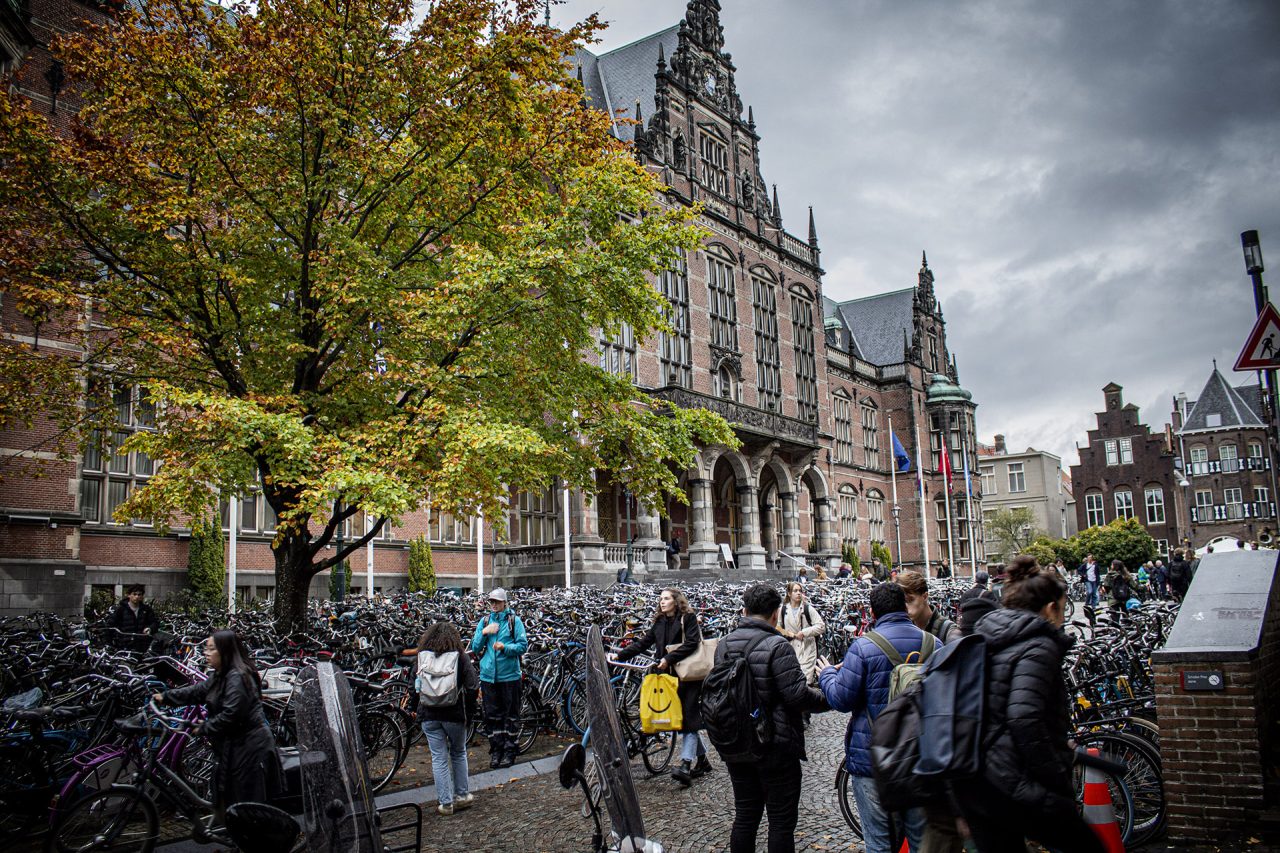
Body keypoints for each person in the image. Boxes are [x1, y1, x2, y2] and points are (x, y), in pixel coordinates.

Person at [953, 556, 1104, 853]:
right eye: (1062, 610)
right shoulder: (1039, 644)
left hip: (973, 782)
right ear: (1051, 608)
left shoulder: (983, 636)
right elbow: (1023, 717)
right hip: (1010, 780)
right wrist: (1056, 776)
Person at [818, 583, 930, 853]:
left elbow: (841, 700)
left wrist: (827, 675)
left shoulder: (863, 647)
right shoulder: (932, 643)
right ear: (904, 606)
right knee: (922, 843)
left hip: (873, 759)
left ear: (871, 612)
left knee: (879, 842)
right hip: (921, 757)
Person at [717, 583, 828, 853]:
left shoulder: (723, 645)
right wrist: (830, 696)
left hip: (737, 744)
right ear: (776, 614)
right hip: (775, 746)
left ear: (744, 610)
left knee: (745, 815)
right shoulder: (778, 646)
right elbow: (797, 696)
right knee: (780, 822)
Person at [152, 630, 280, 813]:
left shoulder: (238, 677)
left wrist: (203, 728)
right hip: (234, 746)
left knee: (246, 805)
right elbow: (197, 691)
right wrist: (165, 697)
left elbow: (232, 715)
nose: (206, 652)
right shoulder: (221, 675)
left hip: (249, 749)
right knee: (225, 796)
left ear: (225, 651)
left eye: (211, 649)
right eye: (206, 648)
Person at [611, 587, 711, 786]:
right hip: (667, 678)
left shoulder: (688, 618)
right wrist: (620, 655)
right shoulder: (659, 621)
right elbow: (643, 643)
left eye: (666, 598)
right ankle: (703, 760)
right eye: (661, 599)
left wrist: (668, 658)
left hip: (687, 676)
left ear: (676, 600)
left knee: (689, 718)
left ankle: (685, 764)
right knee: (681, 718)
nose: (662, 602)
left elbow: (692, 643)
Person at [415, 621, 479, 815]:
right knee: (458, 752)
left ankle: (445, 803)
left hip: (429, 713)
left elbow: (413, 685)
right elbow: (472, 686)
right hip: (454, 714)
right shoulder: (460, 657)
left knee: (438, 758)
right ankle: (462, 795)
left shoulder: (422, 657)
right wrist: (470, 712)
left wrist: (414, 709)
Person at [469, 587, 528, 769]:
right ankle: (496, 751)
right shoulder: (485, 621)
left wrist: (505, 648)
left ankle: (510, 751)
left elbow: (522, 646)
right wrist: (484, 631)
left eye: (496, 601)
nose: (493, 605)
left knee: (510, 716)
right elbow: (476, 647)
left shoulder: (514, 621)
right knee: (492, 717)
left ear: (504, 603)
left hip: (509, 675)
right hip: (489, 677)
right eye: (491, 602)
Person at [780, 582, 825, 684]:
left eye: (800, 591)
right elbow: (777, 627)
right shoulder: (783, 609)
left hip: (807, 649)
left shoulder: (808, 608)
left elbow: (821, 626)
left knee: (805, 682)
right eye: (795, 591)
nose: (799, 593)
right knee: (792, 681)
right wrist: (788, 634)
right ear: (789, 593)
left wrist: (804, 632)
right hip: (791, 649)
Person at [898, 570, 959, 644]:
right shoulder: (904, 630)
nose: (905, 607)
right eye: (901, 601)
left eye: (910, 600)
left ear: (925, 597)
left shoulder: (948, 631)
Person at [105, 584, 159, 652]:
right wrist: (110, 643)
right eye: (134, 594)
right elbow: (110, 626)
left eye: (139, 594)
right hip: (124, 645)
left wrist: (150, 628)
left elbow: (155, 623)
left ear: (142, 596)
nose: (137, 597)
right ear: (129, 595)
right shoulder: (121, 609)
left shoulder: (146, 609)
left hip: (142, 645)